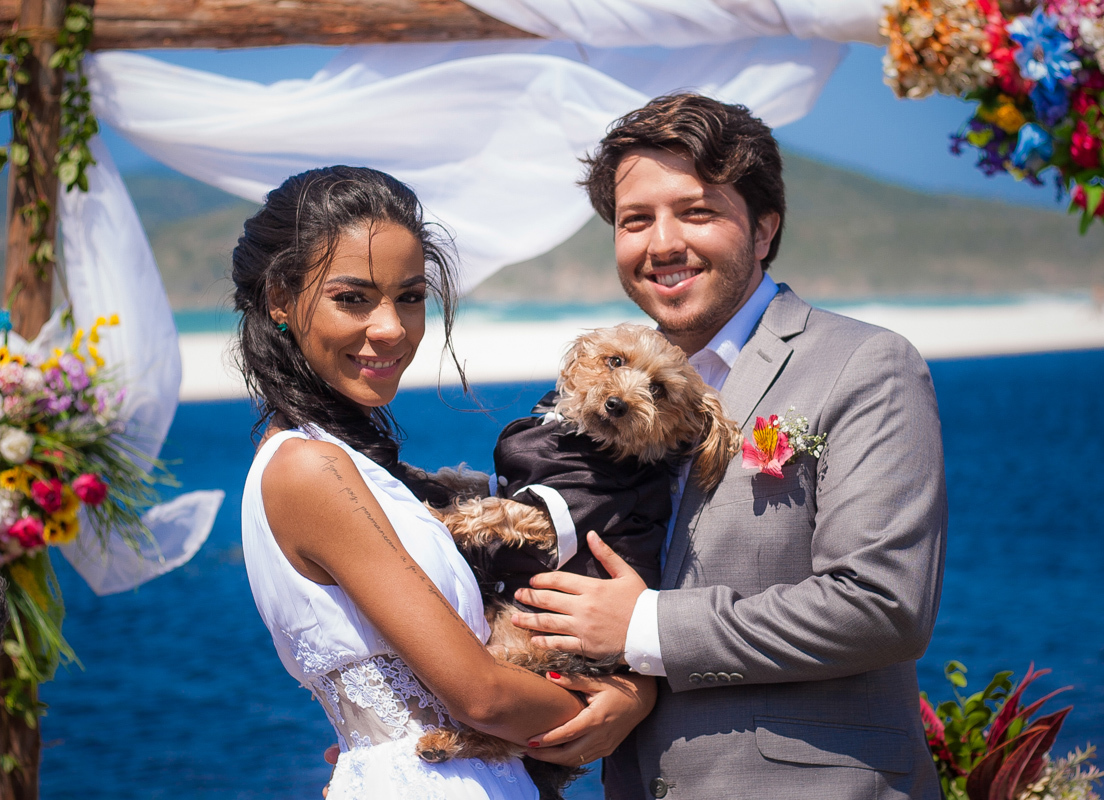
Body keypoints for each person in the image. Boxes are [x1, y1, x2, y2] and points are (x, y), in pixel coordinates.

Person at [513, 94, 948, 799]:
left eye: (697, 211)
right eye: (635, 221)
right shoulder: (607, 389)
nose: (661, 243)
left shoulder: (866, 364)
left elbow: (881, 605)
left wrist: (644, 627)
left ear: (765, 227)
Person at [233, 166, 655, 799]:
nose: (392, 329)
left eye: (409, 296)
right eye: (353, 298)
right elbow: (481, 696)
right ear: (279, 298)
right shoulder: (308, 467)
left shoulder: (349, 463)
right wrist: (626, 703)